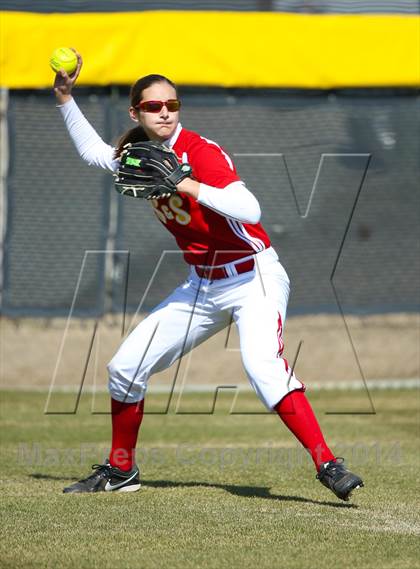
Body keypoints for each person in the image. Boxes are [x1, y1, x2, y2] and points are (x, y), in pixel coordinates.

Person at [54, 51, 363, 501]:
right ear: (135, 112)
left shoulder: (199, 152)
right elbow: (95, 154)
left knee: (263, 368)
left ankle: (328, 464)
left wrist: (187, 183)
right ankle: (122, 470)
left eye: (172, 105)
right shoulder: (137, 153)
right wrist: (64, 96)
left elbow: (251, 209)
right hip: (202, 284)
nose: (164, 112)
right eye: (154, 106)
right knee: (124, 369)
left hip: (252, 275)